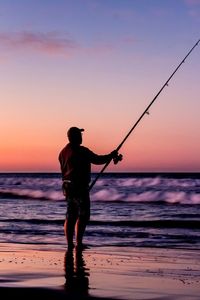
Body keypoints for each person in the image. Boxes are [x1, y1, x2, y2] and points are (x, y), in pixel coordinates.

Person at [58, 126, 122, 250]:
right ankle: (79, 244)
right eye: (80, 135)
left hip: (67, 187)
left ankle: (70, 244)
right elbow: (98, 160)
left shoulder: (62, 152)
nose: (82, 137)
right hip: (79, 187)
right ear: (76, 137)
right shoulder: (82, 151)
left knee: (70, 216)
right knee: (83, 215)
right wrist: (111, 155)